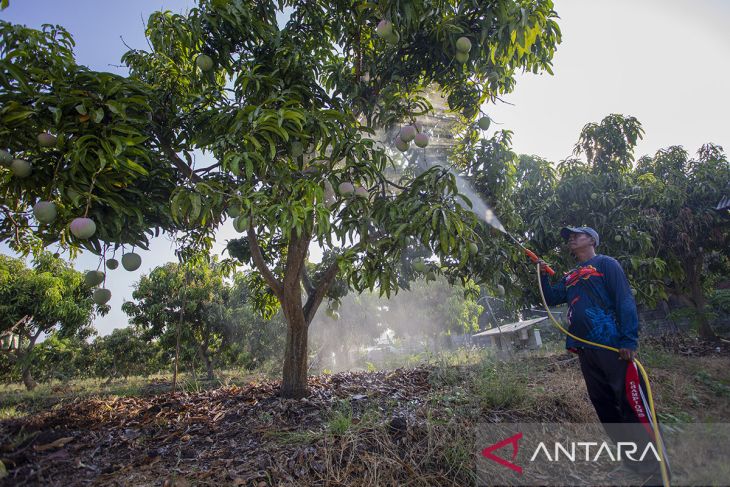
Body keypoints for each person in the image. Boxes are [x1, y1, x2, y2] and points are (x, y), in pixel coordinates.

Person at [538, 226, 669, 482]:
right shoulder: (570, 276)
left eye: (577, 235)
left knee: (632, 405)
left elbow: (623, 299)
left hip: (613, 346)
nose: (571, 239)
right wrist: (543, 275)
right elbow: (552, 297)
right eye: (569, 238)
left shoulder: (606, 264)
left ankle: (657, 467)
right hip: (585, 350)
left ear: (592, 240)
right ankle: (634, 464)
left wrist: (629, 339)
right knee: (605, 408)